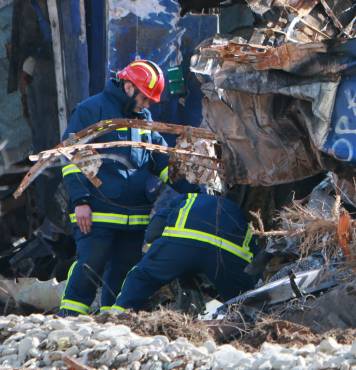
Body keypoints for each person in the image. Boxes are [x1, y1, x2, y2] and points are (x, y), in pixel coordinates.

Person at [59, 60, 173, 315]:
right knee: (89, 267)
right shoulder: (92, 110)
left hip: (134, 218)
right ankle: (67, 324)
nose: (148, 104)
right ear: (129, 87)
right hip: (97, 212)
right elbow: (72, 157)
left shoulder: (144, 120)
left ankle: (112, 328)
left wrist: (195, 185)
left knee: (123, 278)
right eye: (145, 98)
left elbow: (161, 161)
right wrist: (80, 201)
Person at [110, 190, 260, 312]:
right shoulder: (243, 217)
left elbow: (154, 230)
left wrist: (159, 257)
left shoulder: (188, 198)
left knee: (143, 276)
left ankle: (119, 315)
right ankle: (249, 327)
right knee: (242, 301)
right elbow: (254, 261)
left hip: (181, 242)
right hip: (226, 254)